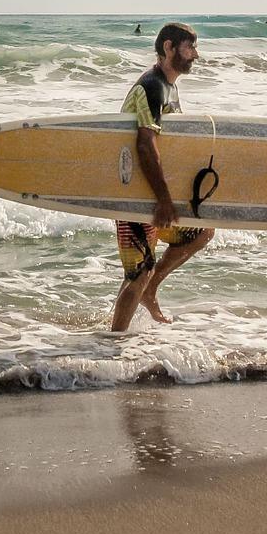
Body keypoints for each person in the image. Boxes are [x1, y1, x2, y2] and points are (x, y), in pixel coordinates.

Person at [111, 23, 214, 331]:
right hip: (133, 191)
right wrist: (164, 200)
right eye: (189, 47)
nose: (195, 54)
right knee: (139, 273)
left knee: (200, 232)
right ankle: (112, 345)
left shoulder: (169, 86)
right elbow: (144, 144)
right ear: (169, 48)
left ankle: (149, 292)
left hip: (150, 189)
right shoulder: (152, 87)